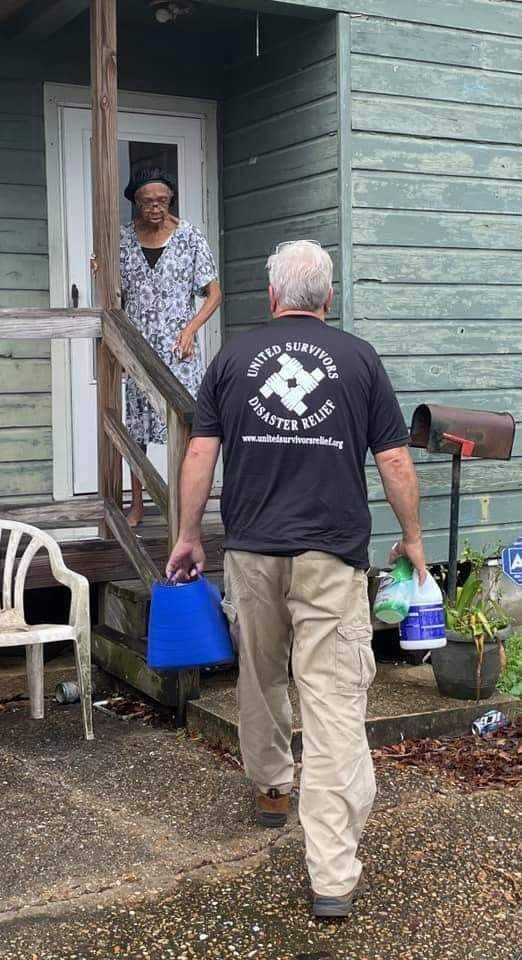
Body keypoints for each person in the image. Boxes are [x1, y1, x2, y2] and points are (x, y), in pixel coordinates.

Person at [166, 240, 426, 917]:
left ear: (272, 296)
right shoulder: (360, 358)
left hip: (252, 551)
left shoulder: (230, 360)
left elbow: (200, 452)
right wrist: (414, 538)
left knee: (262, 675)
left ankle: (273, 788)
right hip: (331, 557)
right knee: (334, 699)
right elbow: (395, 462)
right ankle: (332, 875)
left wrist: (189, 535)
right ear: (328, 298)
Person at [120, 167, 222, 526]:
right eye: (148, 201)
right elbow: (112, 294)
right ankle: (136, 504)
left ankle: (183, 504)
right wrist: (98, 270)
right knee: (135, 429)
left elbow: (214, 294)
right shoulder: (122, 241)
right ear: (135, 202)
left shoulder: (190, 238)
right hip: (136, 349)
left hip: (180, 351)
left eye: (162, 200)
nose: (156, 207)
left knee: (185, 427)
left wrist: (191, 329)